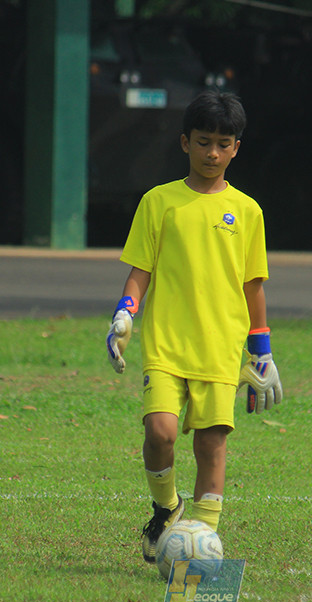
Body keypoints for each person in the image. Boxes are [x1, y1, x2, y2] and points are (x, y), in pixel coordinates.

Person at [105, 89, 283, 566]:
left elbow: (253, 287)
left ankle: (199, 547)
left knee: (211, 444)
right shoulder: (159, 202)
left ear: (236, 148)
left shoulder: (247, 211)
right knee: (160, 431)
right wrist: (125, 312)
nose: (213, 153)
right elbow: (140, 271)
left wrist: (261, 351)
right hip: (166, 344)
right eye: (204, 141)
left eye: (224, 144)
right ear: (185, 142)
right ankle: (167, 509)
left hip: (220, 350)